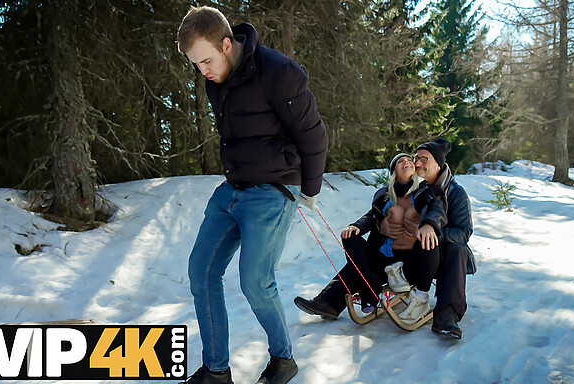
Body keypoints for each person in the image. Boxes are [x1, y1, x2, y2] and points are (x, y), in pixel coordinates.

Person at [177, 6, 328, 384]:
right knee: (202, 272)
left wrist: (307, 189)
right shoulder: (216, 81)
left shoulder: (279, 72)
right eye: (196, 64)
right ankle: (216, 371)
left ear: (227, 44)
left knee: (255, 281)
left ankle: (283, 360)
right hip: (233, 189)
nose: (204, 72)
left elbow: (313, 135)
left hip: (274, 190)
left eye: (207, 60)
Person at [295, 139, 475, 339]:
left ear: (438, 164)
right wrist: (364, 226)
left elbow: (464, 232)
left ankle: (447, 316)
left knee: (456, 250)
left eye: (424, 159)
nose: (416, 163)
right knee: (361, 253)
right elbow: (374, 214)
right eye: (416, 159)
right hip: (395, 253)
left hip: (432, 254)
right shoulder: (403, 188)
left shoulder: (454, 193)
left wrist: (430, 232)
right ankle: (329, 300)